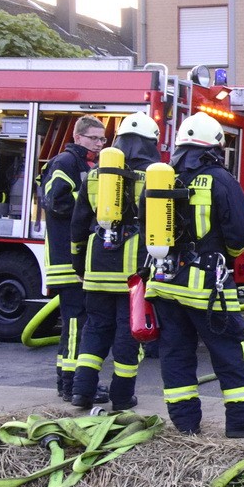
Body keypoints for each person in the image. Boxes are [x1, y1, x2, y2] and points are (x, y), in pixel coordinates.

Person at [143, 112, 244, 438]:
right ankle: (242, 420)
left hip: (165, 283)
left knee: (175, 353)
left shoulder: (161, 178)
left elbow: (144, 226)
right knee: (229, 348)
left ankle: (186, 423)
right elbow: (242, 233)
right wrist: (223, 258)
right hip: (207, 287)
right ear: (214, 145)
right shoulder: (219, 179)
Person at [68, 112, 160, 410]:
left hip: (96, 264)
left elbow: (79, 223)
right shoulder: (156, 175)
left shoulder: (96, 175)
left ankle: (81, 391)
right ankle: (122, 396)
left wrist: (78, 262)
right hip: (133, 271)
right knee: (127, 331)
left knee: (94, 328)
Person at [40, 115, 107, 402]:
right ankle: (70, 384)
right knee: (76, 323)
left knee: (77, 322)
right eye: (94, 138)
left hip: (79, 259)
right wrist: (91, 206)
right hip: (67, 259)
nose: (99, 143)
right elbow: (56, 200)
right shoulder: (65, 163)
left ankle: (71, 381)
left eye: (103, 139)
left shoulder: (88, 164)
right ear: (78, 137)